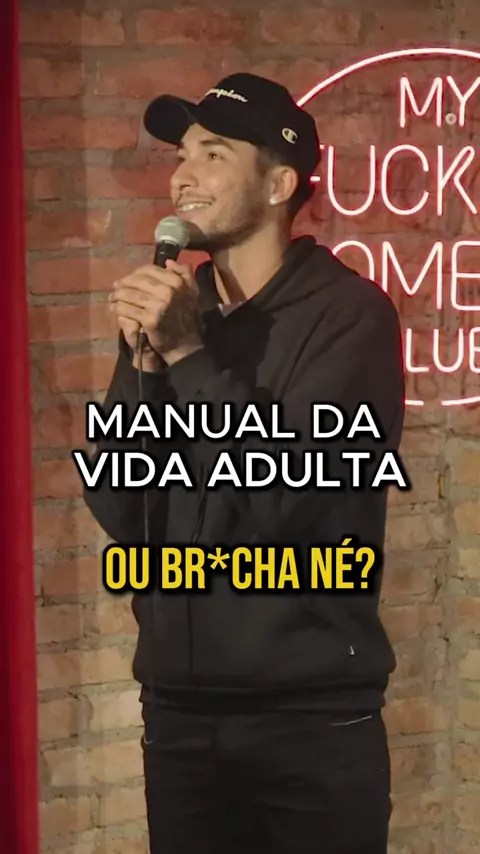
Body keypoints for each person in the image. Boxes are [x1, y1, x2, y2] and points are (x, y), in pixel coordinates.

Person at [83, 73, 405, 854]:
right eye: (181, 155)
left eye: (214, 154)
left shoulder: (349, 318)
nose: (182, 176)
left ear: (279, 184)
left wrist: (188, 357)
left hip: (309, 725)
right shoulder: (179, 312)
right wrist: (144, 370)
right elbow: (126, 512)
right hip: (180, 717)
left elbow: (283, 500)